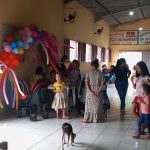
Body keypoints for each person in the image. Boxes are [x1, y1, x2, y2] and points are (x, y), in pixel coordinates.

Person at [131, 61, 150, 134]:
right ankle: (144, 120)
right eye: (137, 69)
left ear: (143, 68)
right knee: (133, 110)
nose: (137, 70)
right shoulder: (138, 77)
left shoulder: (146, 77)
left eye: (139, 68)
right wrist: (132, 81)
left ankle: (142, 128)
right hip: (137, 96)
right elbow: (135, 87)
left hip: (143, 97)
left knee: (141, 112)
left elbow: (149, 86)